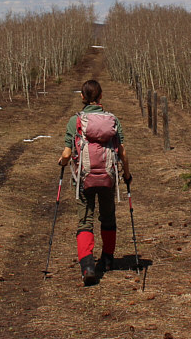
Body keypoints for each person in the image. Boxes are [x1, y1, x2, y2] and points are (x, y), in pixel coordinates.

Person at [57, 79, 132, 284]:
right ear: (101, 96)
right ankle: (107, 259)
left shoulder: (76, 121)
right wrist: (126, 174)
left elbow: (66, 153)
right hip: (108, 177)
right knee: (108, 218)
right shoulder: (113, 120)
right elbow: (123, 152)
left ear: (82, 97)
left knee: (85, 220)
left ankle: (88, 265)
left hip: (83, 178)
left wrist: (63, 162)